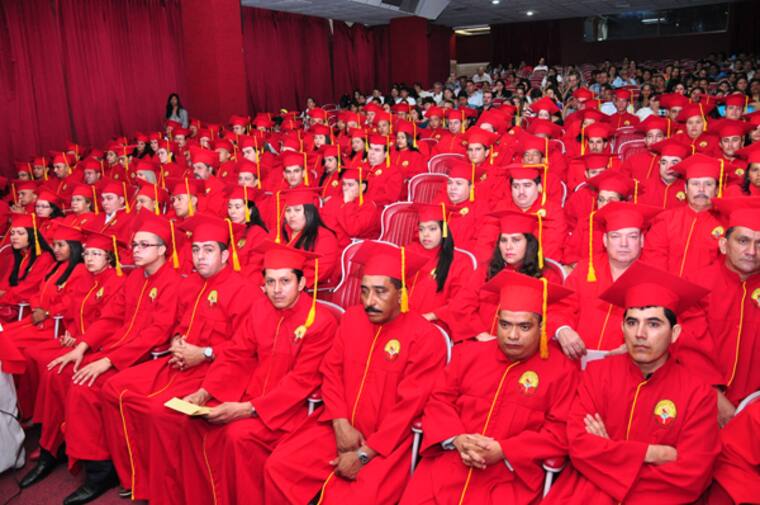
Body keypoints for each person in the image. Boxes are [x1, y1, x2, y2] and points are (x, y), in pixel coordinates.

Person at [147, 241, 338, 505]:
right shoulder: (260, 309)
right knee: (192, 423)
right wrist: (204, 393)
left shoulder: (320, 322)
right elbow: (237, 354)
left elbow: (302, 381)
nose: (276, 290)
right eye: (270, 282)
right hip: (248, 394)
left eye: (285, 281)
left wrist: (248, 409)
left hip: (287, 410)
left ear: (302, 283)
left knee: (236, 436)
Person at [263, 241, 445, 505]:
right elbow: (331, 373)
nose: (370, 301)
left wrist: (365, 453)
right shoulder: (351, 319)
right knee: (280, 466)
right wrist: (340, 424)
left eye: (380, 292)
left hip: (386, 443)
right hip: (337, 427)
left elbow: (410, 406)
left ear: (401, 293)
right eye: (365, 291)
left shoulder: (425, 337)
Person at [96, 214, 256, 501]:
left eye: (209, 250)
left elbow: (244, 348)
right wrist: (177, 340)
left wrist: (204, 353)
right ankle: (138, 478)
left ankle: (168, 493)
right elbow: (181, 324)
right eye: (196, 249)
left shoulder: (243, 291)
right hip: (180, 362)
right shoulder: (190, 284)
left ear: (225, 255)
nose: (200, 256)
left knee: (159, 412)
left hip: (214, 369)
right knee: (113, 388)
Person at [543, 262, 720, 505]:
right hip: (585, 495)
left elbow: (692, 474)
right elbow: (578, 445)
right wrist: (652, 453)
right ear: (622, 327)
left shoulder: (698, 394)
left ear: (675, 333)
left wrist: (608, 451)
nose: (640, 334)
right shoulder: (596, 374)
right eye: (632, 322)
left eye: (653, 324)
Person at [399, 271, 579, 505]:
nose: (512, 335)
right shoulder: (468, 354)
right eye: (505, 324)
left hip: (510, 476)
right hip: (450, 462)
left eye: (524, 327)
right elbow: (439, 400)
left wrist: (504, 450)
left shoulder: (562, 370)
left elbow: (559, 431)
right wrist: (457, 439)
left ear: (541, 326)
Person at [48, 212, 181, 505]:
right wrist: (82, 346)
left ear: (162, 249)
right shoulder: (134, 277)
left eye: (145, 245)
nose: (136, 250)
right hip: (116, 347)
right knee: (67, 370)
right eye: (135, 244)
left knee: (85, 386)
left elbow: (158, 332)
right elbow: (111, 317)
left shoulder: (172, 282)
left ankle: (100, 471)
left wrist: (109, 361)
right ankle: (71, 452)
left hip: (144, 358)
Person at [16, 230, 125, 489]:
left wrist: (82, 340)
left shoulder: (116, 282)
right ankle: (51, 444)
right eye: (87, 253)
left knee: (60, 374)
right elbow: (75, 313)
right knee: (51, 370)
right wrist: (72, 334)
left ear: (109, 258)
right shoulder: (85, 278)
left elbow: (110, 322)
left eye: (97, 254)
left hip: (100, 347)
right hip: (80, 343)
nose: (89, 258)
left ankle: (58, 446)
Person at [683, 197, 760, 424]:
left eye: (759, 243)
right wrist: (715, 398)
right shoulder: (696, 285)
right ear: (724, 245)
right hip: (701, 400)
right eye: (743, 241)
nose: (752, 251)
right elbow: (689, 349)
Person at [555, 202, 660, 360]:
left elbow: (663, 327)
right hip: (577, 362)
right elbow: (561, 307)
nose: (623, 244)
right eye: (615, 236)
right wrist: (562, 329)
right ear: (605, 240)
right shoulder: (585, 269)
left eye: (632, 236)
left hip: (629, 366)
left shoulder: (654, 280)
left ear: (642, 240)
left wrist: (639, 346)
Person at [642, 153, 724, 276]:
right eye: (695, 184)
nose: (701, 189)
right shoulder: (666, 219)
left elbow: (722, 269)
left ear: (717, 190)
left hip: (705, 287)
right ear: (685, 188)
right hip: (664, 285)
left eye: (708, 184)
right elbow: (653, 257)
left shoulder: (725, 225)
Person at [406, 203, 476, 326]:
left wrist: (431, 316)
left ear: (444, 230)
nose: (425, 234)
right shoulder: (410, 253)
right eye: (421, 229)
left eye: (432, 229)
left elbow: (460, 302)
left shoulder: (460, 261)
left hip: (437, 324)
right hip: (406, 320)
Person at [277, 187, 339, 287]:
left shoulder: (325, 238)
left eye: (297, 210)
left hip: (306, 290)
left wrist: (282, 283)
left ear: (310, 212)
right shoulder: (280, 234)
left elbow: (316, 271)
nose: (291, 215)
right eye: (288, 210)